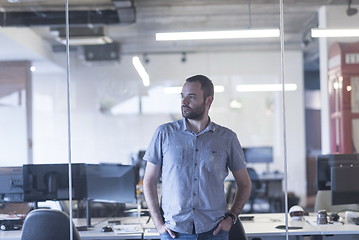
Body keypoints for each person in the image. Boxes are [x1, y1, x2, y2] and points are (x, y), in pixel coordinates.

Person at [143, 75, 252, 240]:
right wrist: (158, 223)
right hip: (174, 232)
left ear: (209, 100)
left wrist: (232, 218)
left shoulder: (227, 138)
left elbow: (244, 183)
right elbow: (148, 180)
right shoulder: (164, 134)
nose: (184, 101)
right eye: (182, 96)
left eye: (191, 97)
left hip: (214, 231)